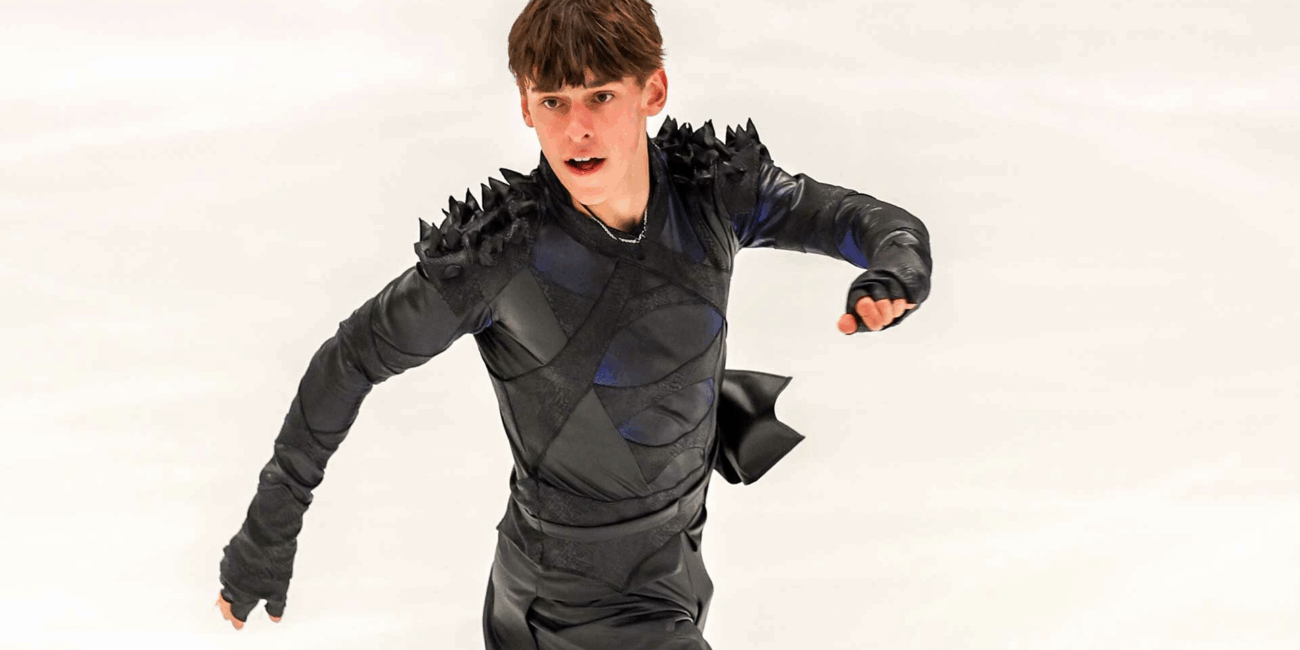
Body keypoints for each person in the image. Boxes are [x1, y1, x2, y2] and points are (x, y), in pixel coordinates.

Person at [215, 0, 933, 647]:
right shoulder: (499, 255)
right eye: (553, 100)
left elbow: (862, 221)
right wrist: (271, 524)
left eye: (601, 96)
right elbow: (353, 357)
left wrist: (895, 269)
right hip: (566, 603)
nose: (577, 128)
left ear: (653, 91)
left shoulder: (712, 193)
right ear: (526, 106)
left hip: (671, 575)